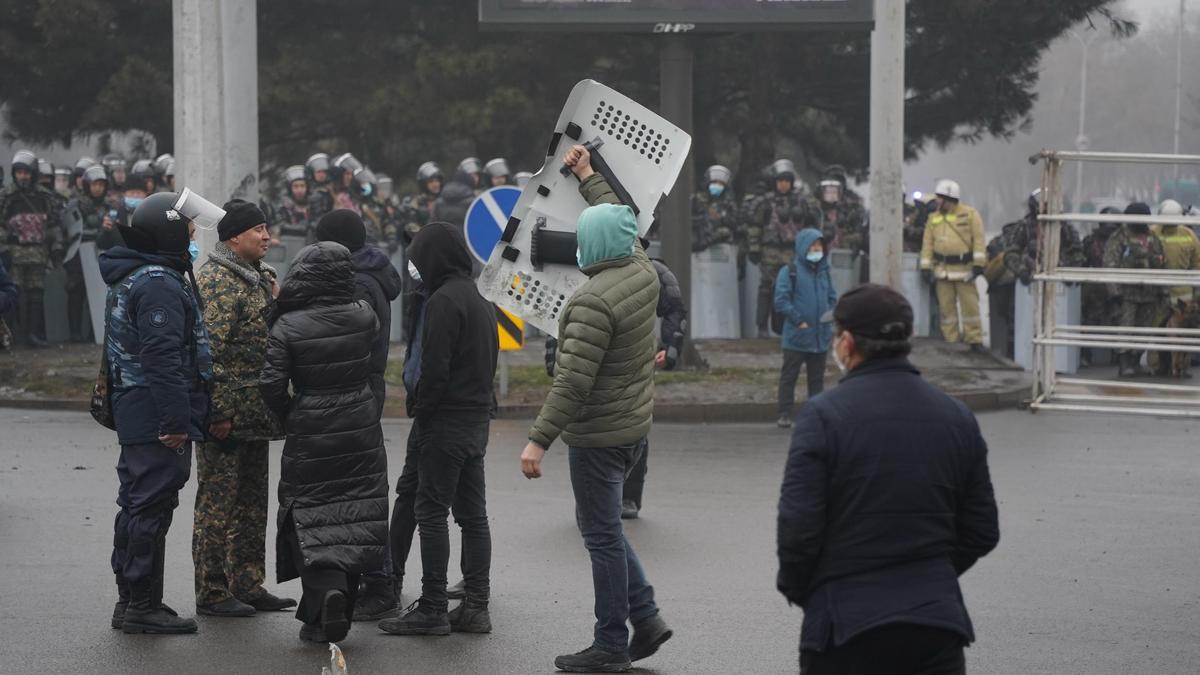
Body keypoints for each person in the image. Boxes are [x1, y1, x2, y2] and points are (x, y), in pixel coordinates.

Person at [778, 284, 1000, 674]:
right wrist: (930, 576)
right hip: (936, 629)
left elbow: (798, 529)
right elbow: (982, 529)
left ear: (846, 343)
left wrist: (809, 590)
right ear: (906, 339)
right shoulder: (956, 416)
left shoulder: (824, 416)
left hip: (845, 628)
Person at [519, 144, 674, 673]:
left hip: (598, 437)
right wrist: (587, 174)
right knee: (605, 530)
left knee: (602, 537)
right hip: (633, 429)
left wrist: (538, 439)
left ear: (589, 247)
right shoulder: (642, 271)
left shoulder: (590, 302)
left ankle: (611, 643)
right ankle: (645, 616)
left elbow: (572, 382)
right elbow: (619, 222)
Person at [259, 240, 389, 643]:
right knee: (353, 516)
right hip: (362, 423)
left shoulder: (288, 326)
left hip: (311, 426)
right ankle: (334, 611)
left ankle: (326, 595)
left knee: (309, 515)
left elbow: (271, 384)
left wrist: (291, 413)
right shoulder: (364, 316)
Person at [99, 192, 213, 634]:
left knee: (138, 504)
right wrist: (174, 421)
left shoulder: (142, 275)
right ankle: (140, 605)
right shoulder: (158, 283)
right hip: (154, 410)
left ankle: (133, 602)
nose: (191, 237)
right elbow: (163, 358)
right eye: (187, 229)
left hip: (139, 406)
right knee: (149, 506)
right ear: (167, 230)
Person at [379, 222, 498, 637]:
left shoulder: (444, 302)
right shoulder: (480, 298)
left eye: (418, 259)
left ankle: (431, 606)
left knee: (430, 512)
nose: (415, 267)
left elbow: (435, 368)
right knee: (472, 516)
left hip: (444, 421)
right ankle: (476, 607)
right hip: (475, 420)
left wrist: (421, 408)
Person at [192, 199, 294, 617]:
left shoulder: (259, 277)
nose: (267, 236)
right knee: (217, 506)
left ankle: (248, 584)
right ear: (235, 237)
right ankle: (212, 591)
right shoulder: (217, 281)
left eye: (266, 229)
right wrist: (217, 412)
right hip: (226, 419)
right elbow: (206, 354)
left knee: (253, 505)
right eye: (259, 230)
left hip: (255, 416)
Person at [544, 232, 688, 520]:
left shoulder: (653, 271)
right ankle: (593, 497)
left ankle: (628, 497)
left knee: (634, 431)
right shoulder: (582, 271)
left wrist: (670, 350)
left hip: (635, 369)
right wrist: (554, 361)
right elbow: (558, 317)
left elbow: (675, 310)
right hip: (593, 367)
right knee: (588, 430)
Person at [315, 209, 404, 621]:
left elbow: (350, 344)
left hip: (356, 393)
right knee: (357, 491)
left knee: (360, 494)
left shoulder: (359, 284)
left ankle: (379, 582)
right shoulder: (369, 275)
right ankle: (370, 578)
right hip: (364, 390)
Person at [773, 228, 837, 429]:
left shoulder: (825, 272)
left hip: (820, 336)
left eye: (819, 246)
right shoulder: (789, 271)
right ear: (802, 248)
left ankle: (816, 415)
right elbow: (781, 300)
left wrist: (830, 317)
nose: (816, 249)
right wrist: (798, 320)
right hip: (797, 336)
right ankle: (784, 413)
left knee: (816, 379)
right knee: (789, 376)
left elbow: (832, 298)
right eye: (812, 246)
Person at [0, 149, 63, 347]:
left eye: (26, 172)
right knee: (13, 294)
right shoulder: (6, 196)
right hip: (14, 253)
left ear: (33, 173)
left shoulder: (45, 197)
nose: (23, 177)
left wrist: (57, 246)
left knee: (36, 294)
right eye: (19, 172)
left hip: (38, 253)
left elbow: (54, 225)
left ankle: (34, 335)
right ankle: (10, 336)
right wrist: (4, 247)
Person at [750, 159, 818, 337]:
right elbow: (755, 226)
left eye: (787, 181)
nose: (783, 185)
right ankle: (762, 326)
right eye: (780, 181)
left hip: (793, 252)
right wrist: (754, 247)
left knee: (793, 289)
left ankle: (791, 324)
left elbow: (813, 223)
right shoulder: (764, 202)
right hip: (770, 251)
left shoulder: (802, 202)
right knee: (766, 288)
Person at [920, 179, 987, 351]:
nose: (937, 201)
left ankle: (974, 340)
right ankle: (952, 341)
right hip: (942, 271)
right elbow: (927, 243)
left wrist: (979, 264)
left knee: (970, 307)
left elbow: (979, 240)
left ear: (950, 199)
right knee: (946, 310)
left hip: (965, 271)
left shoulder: (970, 215)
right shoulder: (933, 218)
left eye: (940, 197)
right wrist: (925, 267)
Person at [1104, 202, 1168, 377]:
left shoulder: (1152, 238)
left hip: (1149, 293)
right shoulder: (1120, 237)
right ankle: (1125, 364)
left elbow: (1162, 264)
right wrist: (1115, 293)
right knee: (1126, 328)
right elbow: (1110, 265)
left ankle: (1135, 360)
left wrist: (1163, 290)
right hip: (1127, 294)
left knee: (1144, 329)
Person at [815, 164, 867, 259]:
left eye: (838, 182)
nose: (833, 190)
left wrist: (854, 244)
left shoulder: (852, 206)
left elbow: (860, 231)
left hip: (843, 254)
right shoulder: (816, 208)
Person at [690, 165, 738, 252]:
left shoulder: (728, 205)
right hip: (696, 248)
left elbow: (733, 224)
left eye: (720, 184)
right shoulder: (696, 201)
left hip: (721, 252)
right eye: (714, 182)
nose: (717, 186)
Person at [273, 165, 316, 244]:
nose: (299, 190)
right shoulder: (284, 207)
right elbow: (280, 226)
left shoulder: (314, 205)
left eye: (302, 186)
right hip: (292, 244)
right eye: (295, 186)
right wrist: (302, 228)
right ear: (290, 189)